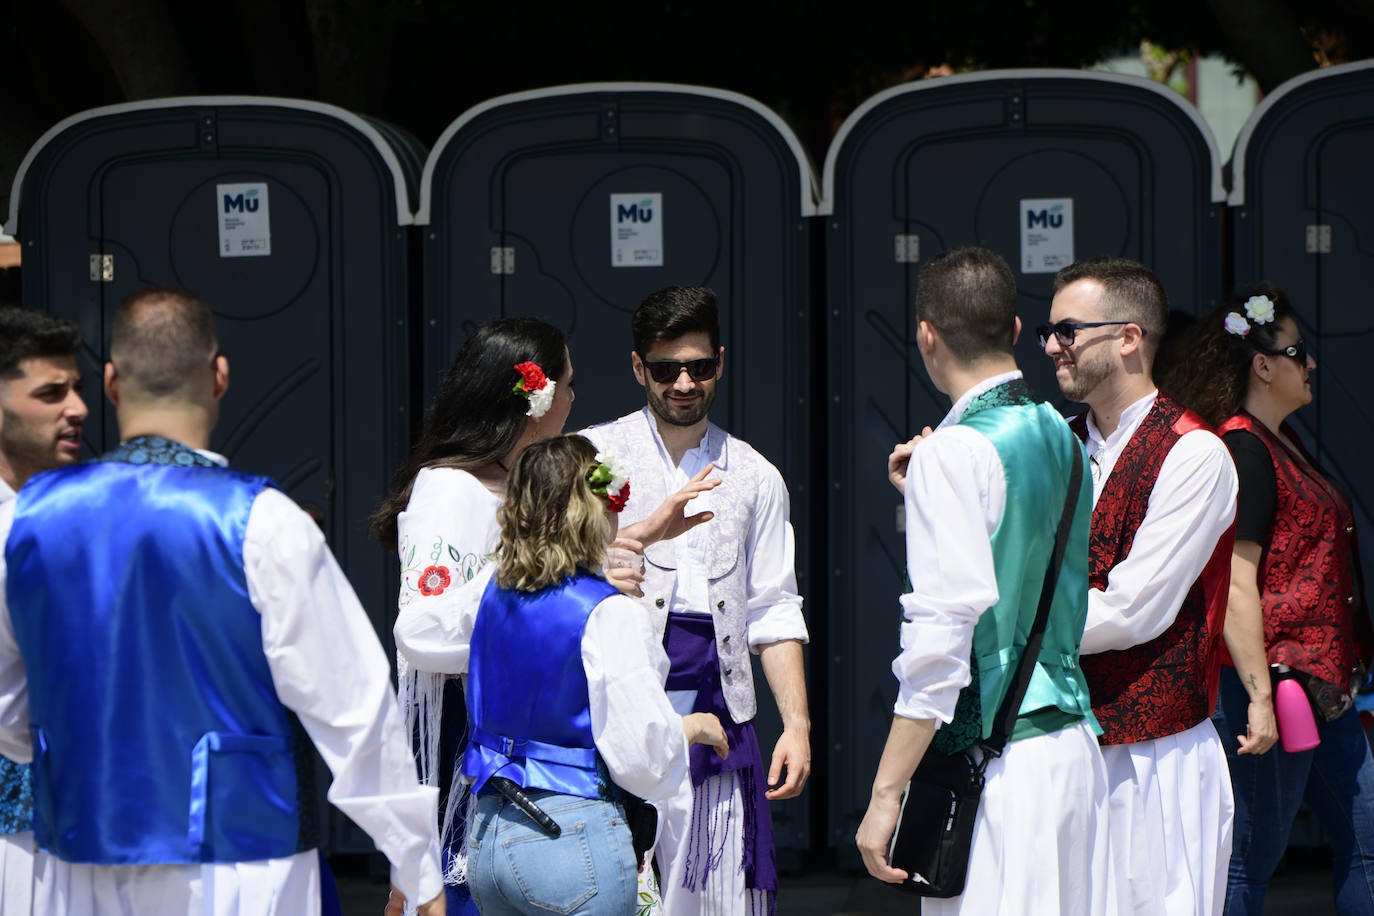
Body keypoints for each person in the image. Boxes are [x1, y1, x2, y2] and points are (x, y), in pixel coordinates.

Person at [0, 286, 444, 915]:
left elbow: (11, 717)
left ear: (109, 382)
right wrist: (415, 865)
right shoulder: (265, 520)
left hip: (83, 855)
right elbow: (354, 710)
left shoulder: (26, 524)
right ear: (220, 376)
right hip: (243, 854)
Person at [379, 318, 717, 910]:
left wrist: (636, 536)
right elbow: (423, 632)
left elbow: (543, 571)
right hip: (480, 750)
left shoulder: (515, 485)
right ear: (534, 398)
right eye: (568, 384)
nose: (573, 398)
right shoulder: (450, 489)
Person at [854, 245, 1112, 913]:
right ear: (1018, 332)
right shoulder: (1060, 431)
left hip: (998, 764)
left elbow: (940, 640)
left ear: (926, 333)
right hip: (1073, 748)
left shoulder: (954, 454)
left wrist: (887, 792)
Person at [426, 434, 730, 914]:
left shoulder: (488, 594)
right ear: (597, 510)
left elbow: (418, 635)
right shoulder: (611, 614)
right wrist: (691, 727)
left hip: (487, 833)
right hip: (567, 838)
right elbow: (642, 759)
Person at [583, 285, 811, 914]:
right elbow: (539, 573)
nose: (684, 383)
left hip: (720, 703)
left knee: (714, 898)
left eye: (699, 367)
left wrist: (796, 723)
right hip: (615, 705)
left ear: (720, 363)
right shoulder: (589, 456)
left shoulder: (756, 475)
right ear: (638, 369)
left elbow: (773, 606)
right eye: (665, 370)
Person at [1041, 257, 1242, 915]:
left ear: (1129, 336)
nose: (1051, 347)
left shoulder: (1194, 453)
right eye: (1048, 331)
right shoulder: (1052, 446)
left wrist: (1003, 626)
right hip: (1054, 748)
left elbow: (1133, 611)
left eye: (1067, 330)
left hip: (1154, 760)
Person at [1164, 286, 1374, 914]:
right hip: (1273, 688)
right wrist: (1258, 698)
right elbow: (1236, 583)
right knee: (1248, 857)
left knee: (1366, 836)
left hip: (1321, 687)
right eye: (1296, 351)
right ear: (1262, 364)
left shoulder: (1279, 442)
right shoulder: (1245, 449)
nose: (1309, 364)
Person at [0, 306, 87, 913]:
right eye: (52, 393)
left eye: (76, 387)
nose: (77, 407)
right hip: (25, 839)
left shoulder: (42, 518)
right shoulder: (19, 537)